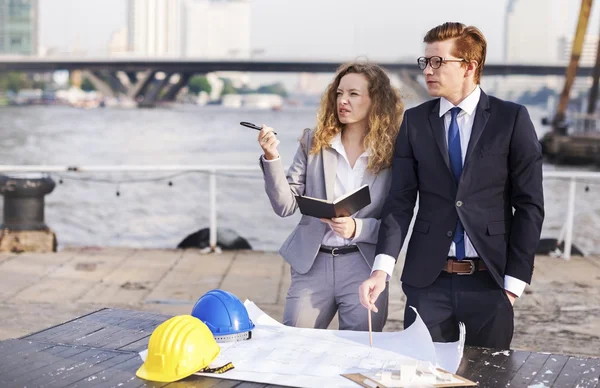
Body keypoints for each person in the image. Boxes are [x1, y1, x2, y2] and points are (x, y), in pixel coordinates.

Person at [359, 22, 544, 349]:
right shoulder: (414, 123)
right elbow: (400, 203)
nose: (428, 70)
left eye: (438, 62)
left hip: (491, 280)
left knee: (490, 379)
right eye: (425, 61)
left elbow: (530, 206)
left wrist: (514, 284)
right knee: (422, 377)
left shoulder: (511, 119)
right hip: (427, 283)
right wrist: (381, 270)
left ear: (469, 66)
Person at [257, 62, 404, 331]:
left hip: (363, 266)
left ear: (376, 101)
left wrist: (357, 227)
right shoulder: (313, 141)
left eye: (353, 94)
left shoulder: (394, 152)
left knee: (361, 352)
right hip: (312, 265)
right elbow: (285, 205)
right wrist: (271, 158)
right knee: (295, 346)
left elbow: (399, 220)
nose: (343, 101)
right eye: (339, 93)